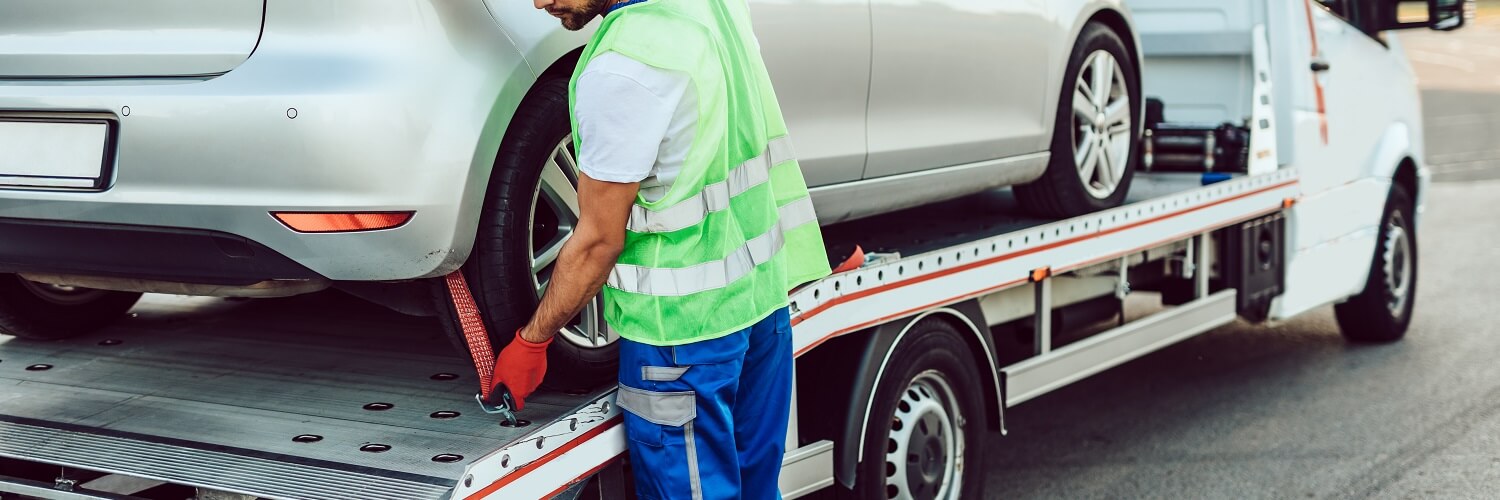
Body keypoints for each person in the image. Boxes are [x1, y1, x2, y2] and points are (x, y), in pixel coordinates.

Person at [488, 0, 832, 496]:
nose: (540, 1)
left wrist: (533, 340)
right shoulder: (713, 9)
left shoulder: (623, 67)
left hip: (681, 339)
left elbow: (596, 242)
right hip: (760, 310)